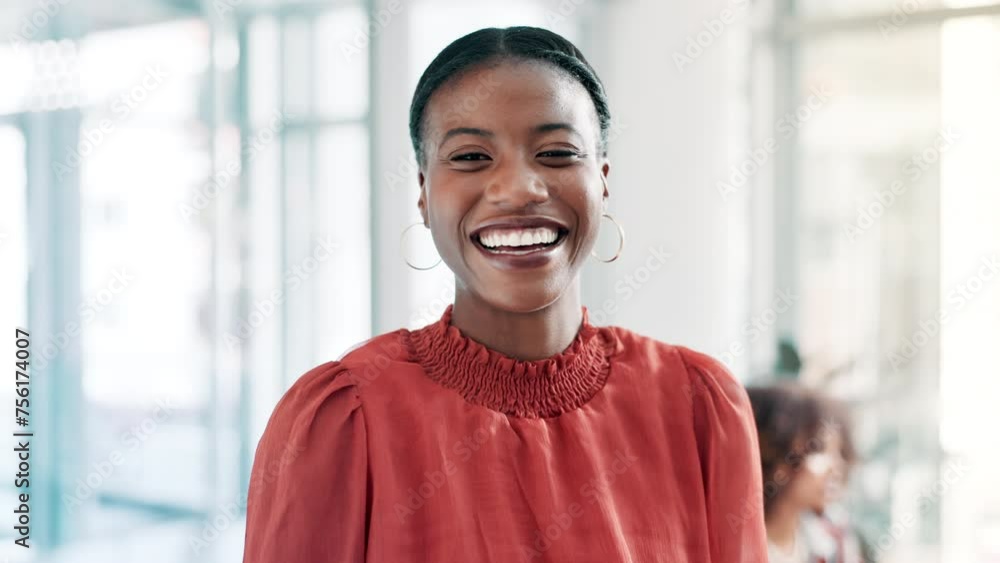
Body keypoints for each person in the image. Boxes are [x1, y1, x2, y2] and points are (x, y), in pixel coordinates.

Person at [242, 26, 767, 562]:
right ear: (423, 193)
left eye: (558, 153)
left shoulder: (699, 405)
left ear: (603, 180)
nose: (519, 188)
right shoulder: (343, 422)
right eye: (471, 157)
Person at [747, 384, 865, 563]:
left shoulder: (834, 537)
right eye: (818, 449)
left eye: (840, 452)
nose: (837, 467)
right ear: (773, 454)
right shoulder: (730, 545)